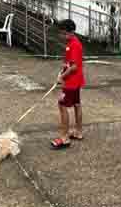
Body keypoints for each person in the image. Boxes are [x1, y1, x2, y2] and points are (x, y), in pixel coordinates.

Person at [51, 19, 84, 150]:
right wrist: (62, 71)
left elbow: (74, 67)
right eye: (61, 33)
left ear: (71, 32)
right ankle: (78, 131)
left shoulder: (75, 44)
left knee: (62, 105)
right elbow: (68, 63)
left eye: (64, 33)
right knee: (76, 104)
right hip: (74, 80)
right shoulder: (70, 43)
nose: (62, 36)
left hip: (72, 81)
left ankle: (64, 137)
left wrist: (62, 77)